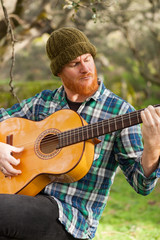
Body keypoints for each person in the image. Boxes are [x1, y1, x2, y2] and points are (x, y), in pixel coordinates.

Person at [0, 27, 160, 240]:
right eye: (74, 64)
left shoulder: (120, 111)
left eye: (88, 59)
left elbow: (142, 185)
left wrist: (153, 147)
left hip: (70, 219)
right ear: (59, 71)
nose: (86, 68)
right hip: (24, 198)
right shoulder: (43, 102)